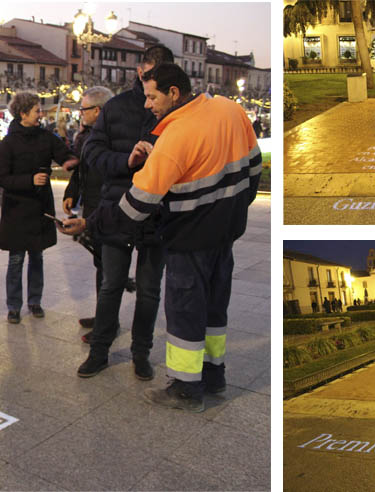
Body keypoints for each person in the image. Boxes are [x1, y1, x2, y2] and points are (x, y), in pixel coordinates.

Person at [60, 63, 261, 412]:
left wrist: (89, 224)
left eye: (152, 96)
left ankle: (185, 388)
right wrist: (231, 211)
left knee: (185, 310)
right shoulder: (230, 109)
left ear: (173, 93)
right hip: (224, 235)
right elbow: (254, 170)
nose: (147, 104)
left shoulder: (176, 136)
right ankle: (214, 377)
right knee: (214, 311)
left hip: (188, 238)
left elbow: (136, 206)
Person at [76, 45, 174, 380]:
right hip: (117, 208)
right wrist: (126, 161)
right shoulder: (116, 107)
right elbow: (92, 151)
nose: (152, 84)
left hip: (158, 212)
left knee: (148, 289)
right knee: (111, 284)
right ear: (139, 71)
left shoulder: (177, 113)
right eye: (149, 73)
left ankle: (140, 352)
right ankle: (99, 351)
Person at [0, 92, 78, 324]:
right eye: (36, 111)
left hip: (40, 207)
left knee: (37, 257)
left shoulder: (45, 137)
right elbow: (0, 178)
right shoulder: (7, 144)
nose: (40, 114)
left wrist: (69, 161)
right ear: (23, 114)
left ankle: (35, 301)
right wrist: (29, 180)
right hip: (17, 210)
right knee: (16, 259)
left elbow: (63, 153)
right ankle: (13, 306)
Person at [63, 86, 114, 331]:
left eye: (83, 109)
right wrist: (72, 192)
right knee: (100, 264)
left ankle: (107, 322)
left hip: (108, 208)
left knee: (108, 268)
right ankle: (102, 316)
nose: (79, 113)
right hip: (92, 207)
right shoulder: (89, 136)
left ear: (97, 110)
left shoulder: (112, 137)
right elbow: (83, 168)